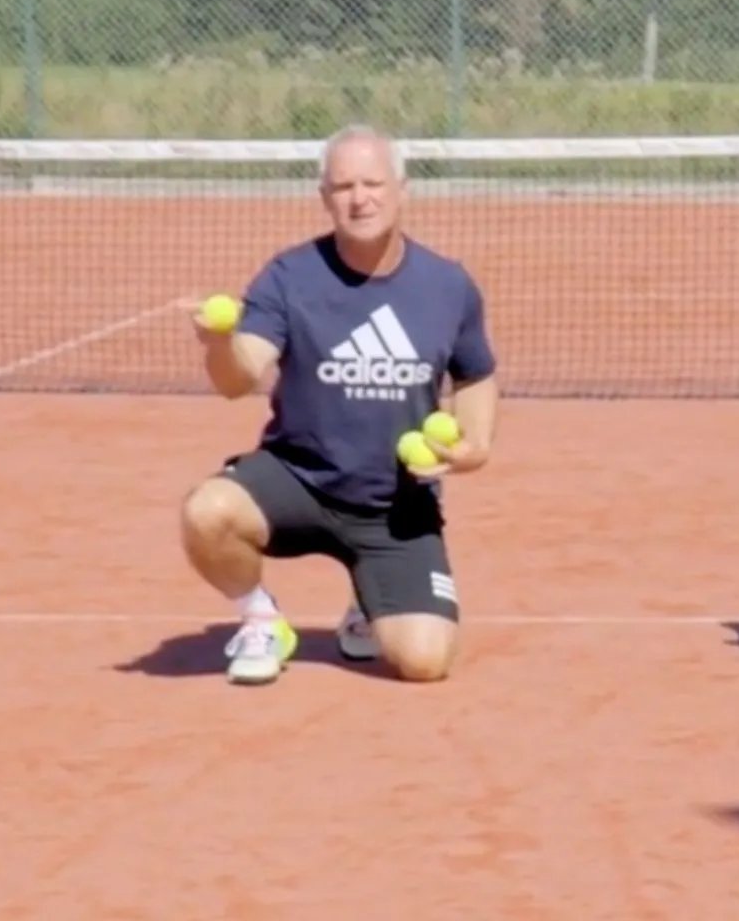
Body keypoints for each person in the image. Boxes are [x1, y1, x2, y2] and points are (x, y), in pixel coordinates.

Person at [178, 123, 499, 686]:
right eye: (344, 186)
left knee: (424, 662)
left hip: (394, 503)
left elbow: (475, 374)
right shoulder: (289, 276)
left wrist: (474, 446)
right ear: (324, 196)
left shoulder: (448, 286)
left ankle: (367, 600)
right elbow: (239, 377)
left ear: (402, 190)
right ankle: (261, 620)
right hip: (297, 479)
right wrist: (219, 344)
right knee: (207, 512)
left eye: (373, 183)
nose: (360, 199)